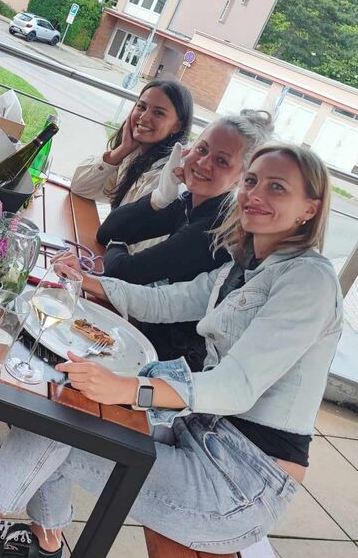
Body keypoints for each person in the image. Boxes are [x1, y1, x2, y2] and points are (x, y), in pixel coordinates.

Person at [0, 144, 342, 558]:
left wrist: (130, 388)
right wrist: (88, 282)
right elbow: (167, 301)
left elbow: (238, 386)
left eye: (277, 187)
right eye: (252, 180)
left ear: (310, 208)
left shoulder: (310, 281)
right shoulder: (245, 265)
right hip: (195, 433)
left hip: (239, 486)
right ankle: (44, 545)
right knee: (63, 406)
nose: (256, 194)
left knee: (58, 427)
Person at [96, 109, 273, 368]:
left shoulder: (216, 228)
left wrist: (117, 245)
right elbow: (107, 231)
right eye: (202, 149)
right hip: (147, 333)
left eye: (221, 161)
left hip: (172, 363)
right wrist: (160, 197)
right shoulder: (192, 201)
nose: (203, 163)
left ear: (243, 178)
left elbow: (125, 270)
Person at [71, 79, 193, 224]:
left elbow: (128, 234)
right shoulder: (134, 154)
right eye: (141, 106)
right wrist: (122, 149)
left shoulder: (166, 178)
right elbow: (80, 187)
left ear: (177, 126)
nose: (144, 117)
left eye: (158, 113)